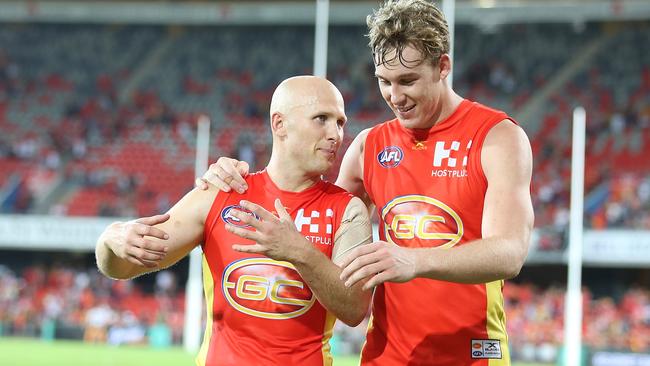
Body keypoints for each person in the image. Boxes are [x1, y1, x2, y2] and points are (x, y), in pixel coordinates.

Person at [197, 0, 534, 365]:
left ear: (443, 66)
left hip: (473, 354)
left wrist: (414, 260)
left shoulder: (497, 137)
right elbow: (315, 217)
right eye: (384, 82)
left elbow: (509, 252)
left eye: (408, 81)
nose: (395, 96)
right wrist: (230, 177)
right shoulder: (368, 147)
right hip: (385, 357)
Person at [95, 75, 372, 366]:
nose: (336, 134)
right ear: (279, 124)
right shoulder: (221, 193)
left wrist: (298, 252)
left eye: (340, 122)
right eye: (321, 119)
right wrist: (110, 240)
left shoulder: (348, 210)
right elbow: (122, 266)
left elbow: (354, 309)